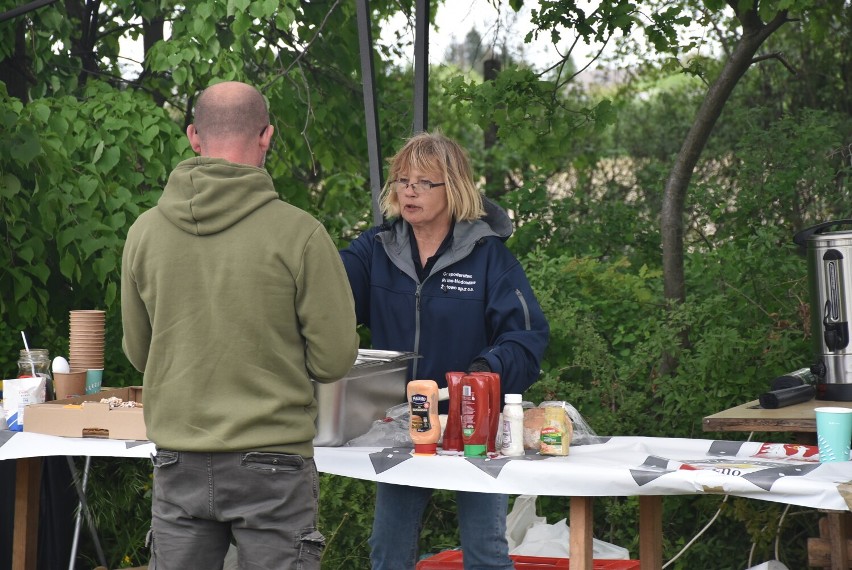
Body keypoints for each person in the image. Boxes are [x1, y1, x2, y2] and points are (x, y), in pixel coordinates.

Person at [120, 80, 359, 570]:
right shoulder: (300, 234)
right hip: (272, 460)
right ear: (267, 136)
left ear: (194, 136)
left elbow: (141, 354)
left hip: (178, 458)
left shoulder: (144, 232)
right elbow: (334, 360)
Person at [340, 131, 550, 569]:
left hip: (473, 422)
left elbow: (527, 338)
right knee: (388, 551)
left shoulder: (489, 257)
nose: (408, 190)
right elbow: (325, 295)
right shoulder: (374, 250)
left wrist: (482, 372)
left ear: (452, 188)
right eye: (401, 180)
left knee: (485, 552)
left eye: (422, 182)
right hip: (403, 423)